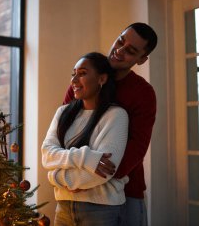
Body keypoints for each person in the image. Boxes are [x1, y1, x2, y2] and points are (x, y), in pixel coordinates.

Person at [63, 23, 158, 226]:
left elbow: (137, 147)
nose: (119, 50)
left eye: (131, 51)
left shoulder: (143, 93)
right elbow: (63, 129)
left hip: (125, 190)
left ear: (142, 60)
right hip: (72, 189)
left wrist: (87, 181)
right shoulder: (83, 79)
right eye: (120, 41)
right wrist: (75, 178)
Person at [41, 52, 129, 226]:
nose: (73, 81)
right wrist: (89, 158)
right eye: (73, 74)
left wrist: (55, 176)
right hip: (64, 206)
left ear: (102, 79)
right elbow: (47, 155)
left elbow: (103, 172)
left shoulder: (116, 116)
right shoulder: (63, 112)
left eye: (82, 74)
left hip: (101, 210)